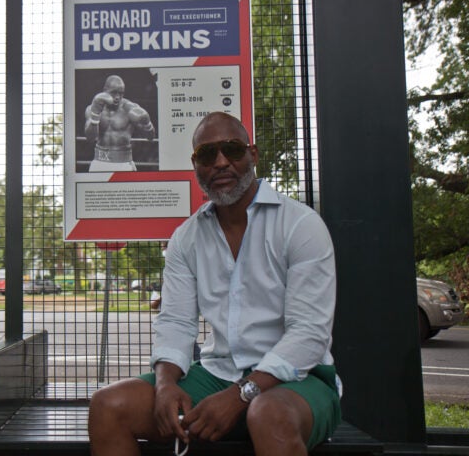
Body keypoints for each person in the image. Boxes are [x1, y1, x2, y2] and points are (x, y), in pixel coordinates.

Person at [88, 112, 341, 456]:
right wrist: (165, 384)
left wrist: (241, 394)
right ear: (196, 166)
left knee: (268, 414)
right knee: (108, 405)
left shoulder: (301, 226)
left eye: (232, 150)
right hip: (216, 374)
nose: (221, 162)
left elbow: (309, 334)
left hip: (298, 380)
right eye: (208, 155)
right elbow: (176, 322)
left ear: (252, 154)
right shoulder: (186, 238)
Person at [84, 75, 155, 172]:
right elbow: (90, 138)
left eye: (121, 93)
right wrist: (95, 116)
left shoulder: (130, 109)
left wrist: (147, 124)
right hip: (100, 162)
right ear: (105, 90)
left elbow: (150, 137)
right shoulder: (93, 108)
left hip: (124, 164)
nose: (117, 97)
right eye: (114, 92)